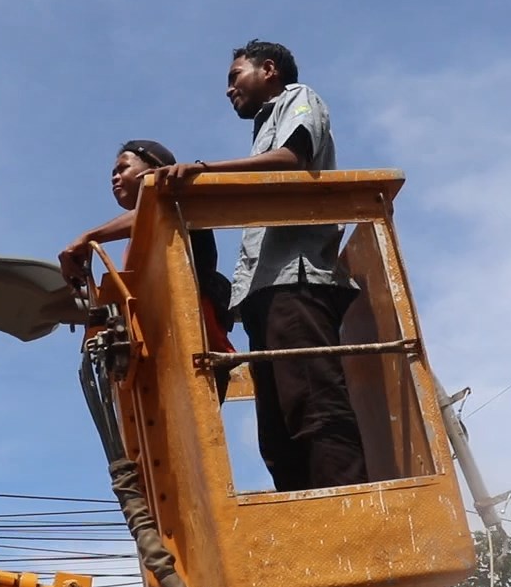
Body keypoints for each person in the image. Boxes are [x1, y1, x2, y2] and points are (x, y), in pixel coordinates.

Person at [151, 40, 367, 493]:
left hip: (296, 282)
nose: (228, 90)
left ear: (268, 69)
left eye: (235, 77)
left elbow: (291, 160)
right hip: (263, 294)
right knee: (277, 433)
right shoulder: (264, 127)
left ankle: (347, 512)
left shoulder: (298, 98)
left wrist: (203, 170)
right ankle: (305, 517)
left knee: (314, 409)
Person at [59, 140, 236, 402]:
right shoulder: (141, 239)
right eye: (113, 173)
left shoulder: (176, 198)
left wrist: (89, 237)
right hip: (164, 355)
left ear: (154, 169)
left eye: (123, 168)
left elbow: (154, 206)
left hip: (196, 350)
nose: (114, 178)